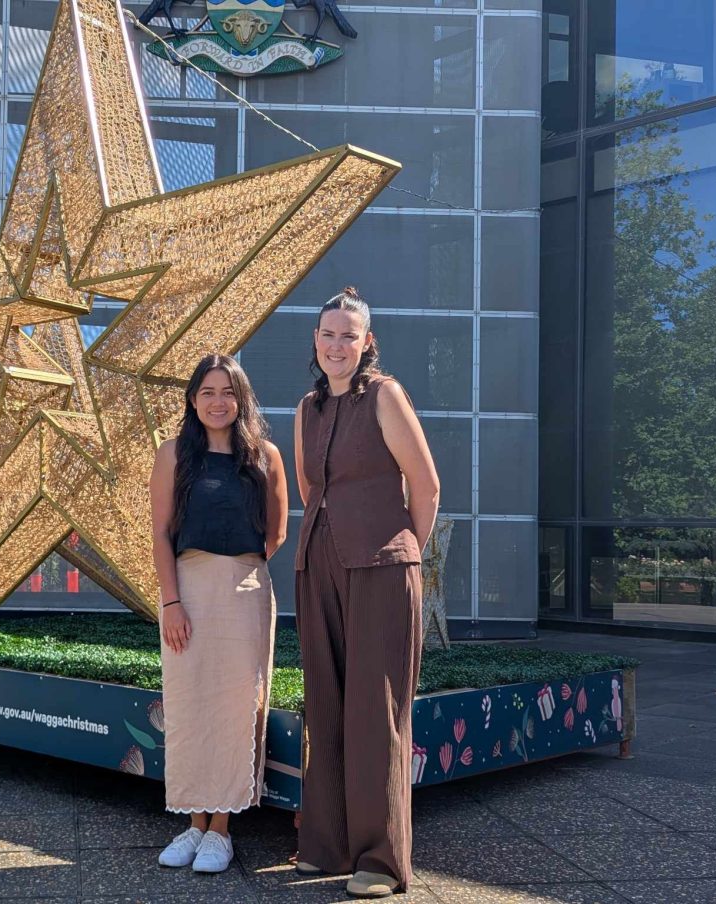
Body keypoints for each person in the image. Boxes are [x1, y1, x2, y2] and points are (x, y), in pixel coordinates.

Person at [293, 287, 440, 899]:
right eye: (328, 334)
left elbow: (426, 485)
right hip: (319, 562)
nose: (337, 345)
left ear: (367, 342)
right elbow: (310, 488)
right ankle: (326, 845)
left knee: (376, 711)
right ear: (316, 340)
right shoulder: (307, 407)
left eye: (348, 335)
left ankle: (379, 860)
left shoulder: (384, 394)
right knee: (324, 700)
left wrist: (404, 553)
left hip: (381, 564)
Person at [148, 353, 289, 874]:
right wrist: (171, 600)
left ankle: (221, 831)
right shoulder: (173, 456)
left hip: (246, 588)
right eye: (207, 391)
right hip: (187, 589)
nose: (217, 401)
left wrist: (240, 568)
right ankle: (193, 822)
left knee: (235, 707)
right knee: (189, 705)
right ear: (192, 399)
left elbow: (276, 531)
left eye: (227, 392)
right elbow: (161, 533)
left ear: (242, 398)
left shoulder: (266, 457)